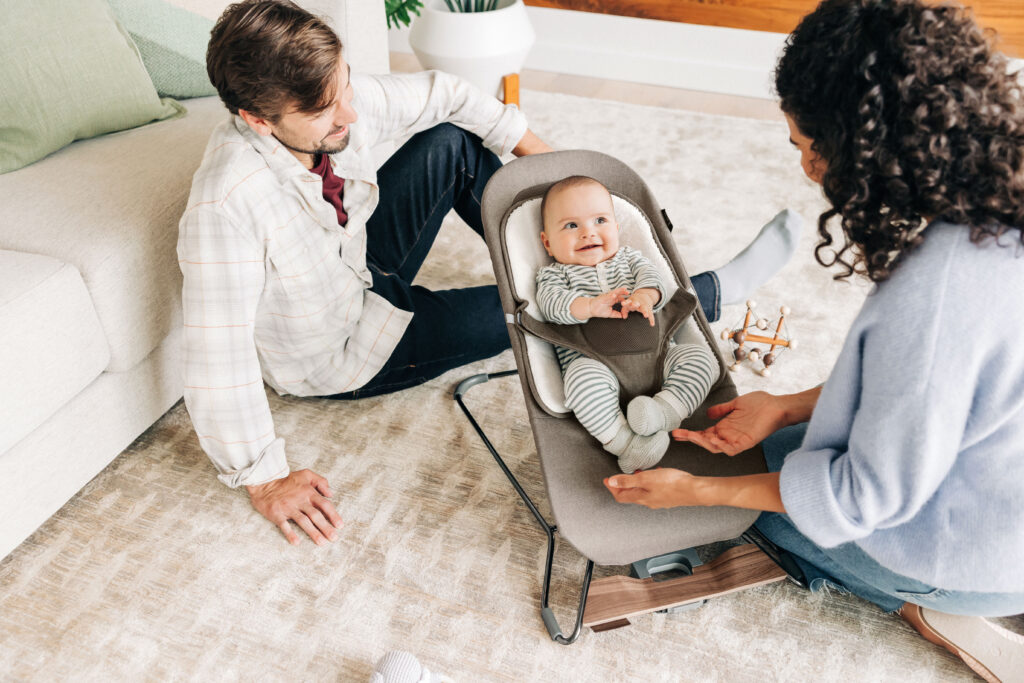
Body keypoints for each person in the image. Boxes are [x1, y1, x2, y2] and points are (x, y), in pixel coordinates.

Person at [604, 0, 1024, 679]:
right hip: (1005, 481)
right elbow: (945, 388)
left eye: (809, 147)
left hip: (984, 546)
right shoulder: (1003, 197)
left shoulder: (934, 297)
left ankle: (932, 603)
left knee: (762, 501)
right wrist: (790, 403)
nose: (805, 169)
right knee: (774, 449)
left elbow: (861, 498)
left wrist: (698, 495)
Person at [178, 0, 554, 546]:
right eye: (325, 112)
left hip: (358, 262)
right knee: (537, 305)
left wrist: (547, 163)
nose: (349, 117)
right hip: (345, 350)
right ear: (258, 122)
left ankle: (571, 250)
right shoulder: (226, 204)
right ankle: (696, 293)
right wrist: (264, 479)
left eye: (345, 89)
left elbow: (444, 93)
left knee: (451, 141)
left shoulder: (329, 106)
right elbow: (218, 355)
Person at [535, 176, 719, 473]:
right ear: (548, 242)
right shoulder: (554, 276)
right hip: (597, 367)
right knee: (580, 381)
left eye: (600, 221)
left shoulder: (631, 259)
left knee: (703, 360)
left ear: (616, 228)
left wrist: (645, 296)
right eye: (571, 226)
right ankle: (625, 444)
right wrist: (590, 306)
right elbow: (551, 304)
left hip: (659, 360)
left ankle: (664, 411)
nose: (588, 233)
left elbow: (655, 280)